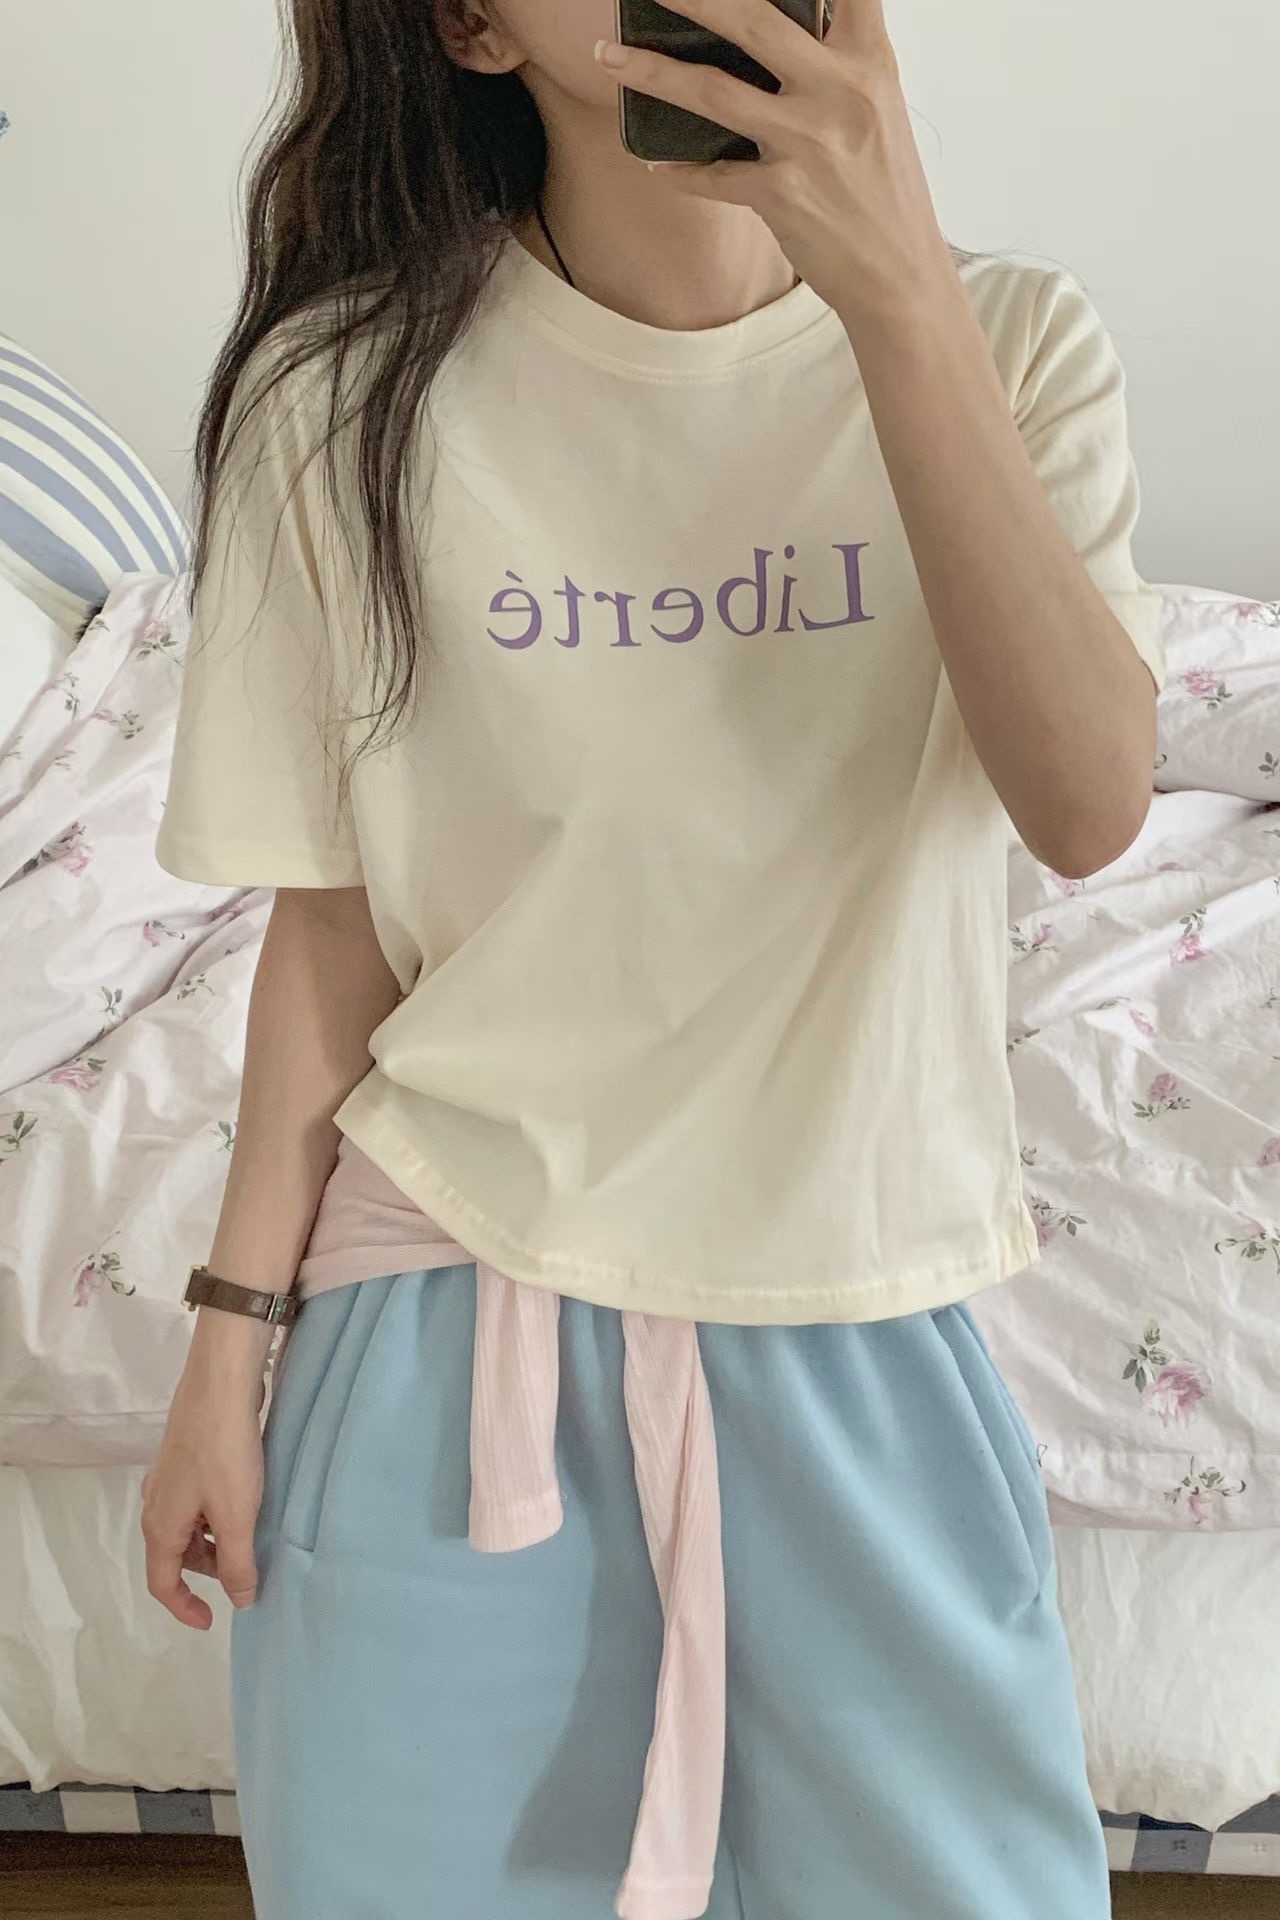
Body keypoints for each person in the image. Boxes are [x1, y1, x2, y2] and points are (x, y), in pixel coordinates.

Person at [143, 2, 1163, 1915]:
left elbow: (1090, 802)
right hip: (441, 1322)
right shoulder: (340, 401)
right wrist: (225, 1344)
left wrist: (895, 291)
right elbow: (335, 927)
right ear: (468, 22)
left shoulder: (1011, 342)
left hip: (859, 1310)